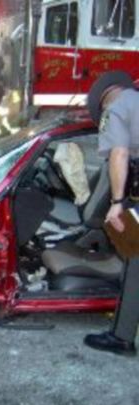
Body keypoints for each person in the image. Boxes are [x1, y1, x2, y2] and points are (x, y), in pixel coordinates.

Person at [84, 70, 139, 356]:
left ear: (104, 99)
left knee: (134, 259)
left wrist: (117, 202)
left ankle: (121, 338)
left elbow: (119, 154)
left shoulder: (117, 107)